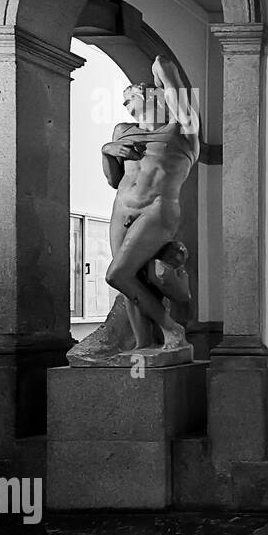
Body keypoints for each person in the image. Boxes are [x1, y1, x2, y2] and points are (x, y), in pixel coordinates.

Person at [100, 56, 199, 353]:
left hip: (157, 209)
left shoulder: (181, 130)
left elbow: (167, 72)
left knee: (116, 274)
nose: (127, 108)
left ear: (152, 96)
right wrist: (107, 151)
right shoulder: (122, 132)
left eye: (131, 100)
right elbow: (113, 179)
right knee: (133, 279)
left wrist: (159, 71)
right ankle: (143, 345)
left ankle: (172, 329)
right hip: (122, 208)